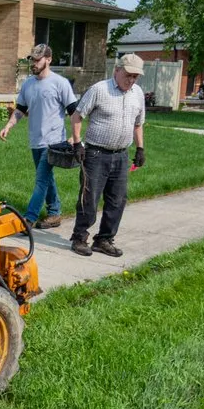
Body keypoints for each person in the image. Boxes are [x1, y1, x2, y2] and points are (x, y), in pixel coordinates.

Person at [68, 53, 147, 257]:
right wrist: (77, 143)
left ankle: (104, 239)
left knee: (117, 200)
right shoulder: (99, 90)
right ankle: (79, 238)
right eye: (128, 75)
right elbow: (77, 116)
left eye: (135, 77)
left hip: (121, 155)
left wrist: (140, 148)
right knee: (89, 198)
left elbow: (138, 123)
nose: (131, 80)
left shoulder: (137, 93)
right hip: (96, 154)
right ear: (117, 70)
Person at [0, 44, 78, 229]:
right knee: (47, 177)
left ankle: (29, 218)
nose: (33, 63)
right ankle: (54, 212)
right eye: (32, 59)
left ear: (48, 60)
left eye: (37, 60)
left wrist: (75, 137)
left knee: (41, 179)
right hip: (35, 140)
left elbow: (74, 111)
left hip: (54, 141)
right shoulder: (28, 84)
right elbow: (20, 109)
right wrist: (8, 125)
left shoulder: (60, 83)